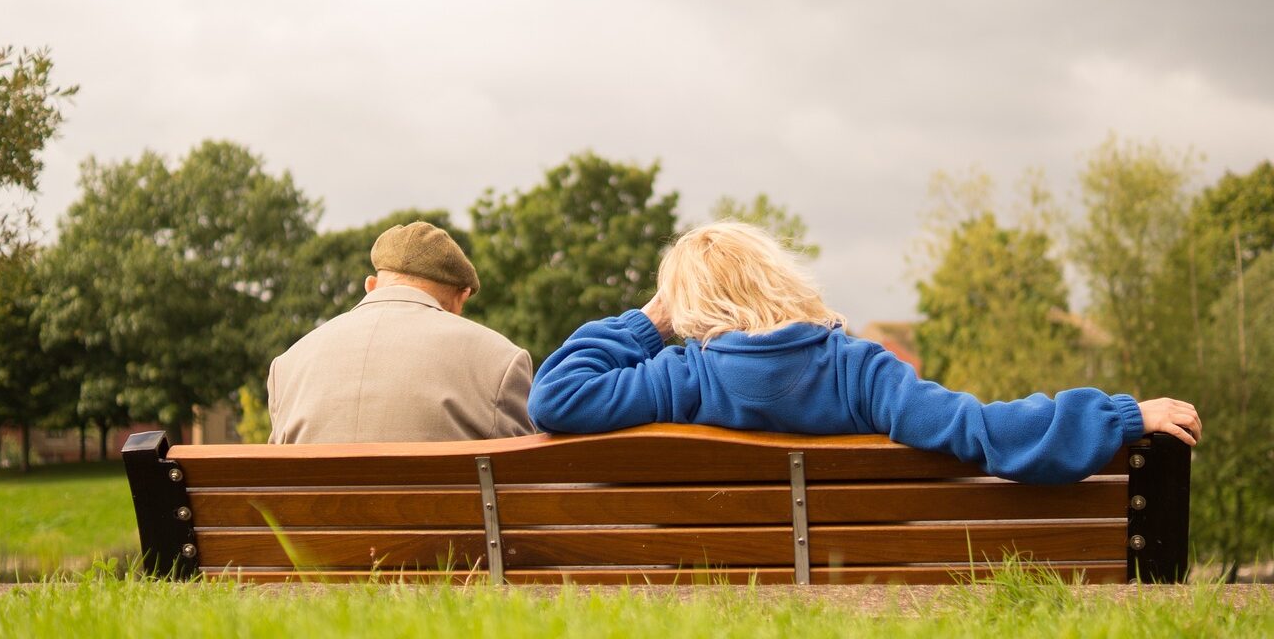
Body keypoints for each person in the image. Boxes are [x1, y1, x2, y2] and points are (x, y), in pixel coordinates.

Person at [527, 222, 1201, 484]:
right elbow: (980, 430)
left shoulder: (677, 377)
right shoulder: (861, 371)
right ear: (780, 279)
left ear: (690, 308)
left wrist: (650, 322)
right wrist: (1119, 416)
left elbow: (555, 396)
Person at [268, 221, 535, 443]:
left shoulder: (287, 366)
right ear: (461, 296)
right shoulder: (501, 360)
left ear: (371, 285)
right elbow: (523, 483)